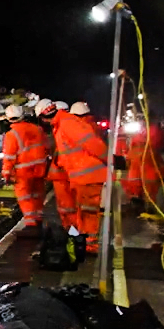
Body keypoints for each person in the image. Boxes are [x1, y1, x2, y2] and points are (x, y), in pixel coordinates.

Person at [53, 100, 110, 258]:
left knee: (86, 212)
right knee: (84, 211)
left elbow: (92, 147)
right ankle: (83, 240)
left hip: (84, 176)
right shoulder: (87, 126)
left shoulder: (73, 127)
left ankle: (88, 243)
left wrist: (109, 159)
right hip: (84, 176)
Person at [0, 102, 52, 232]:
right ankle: (38, 218)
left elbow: (9, 157)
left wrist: (6, 174)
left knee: (25, 197)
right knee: (38, 194)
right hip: (40, 169)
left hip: (23, 172)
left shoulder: (11, 135)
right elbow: (48, 147)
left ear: (8, 119)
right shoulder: (38, 129)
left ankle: (30, 224)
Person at [116, 115, 164, 215]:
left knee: (147, 183)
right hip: (137, 164)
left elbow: (155, 144)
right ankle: (138, 203)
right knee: (136, 183)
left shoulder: (152, 132)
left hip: (146, 164)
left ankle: (146, 205)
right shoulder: (136, 134)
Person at [34, 98, 74, 229]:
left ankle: (74, 235)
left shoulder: (63, 129)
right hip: (67, 175)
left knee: (68, 208)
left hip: (63, 176)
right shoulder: (65, 127)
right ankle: (73, 234)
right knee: (69, 208)